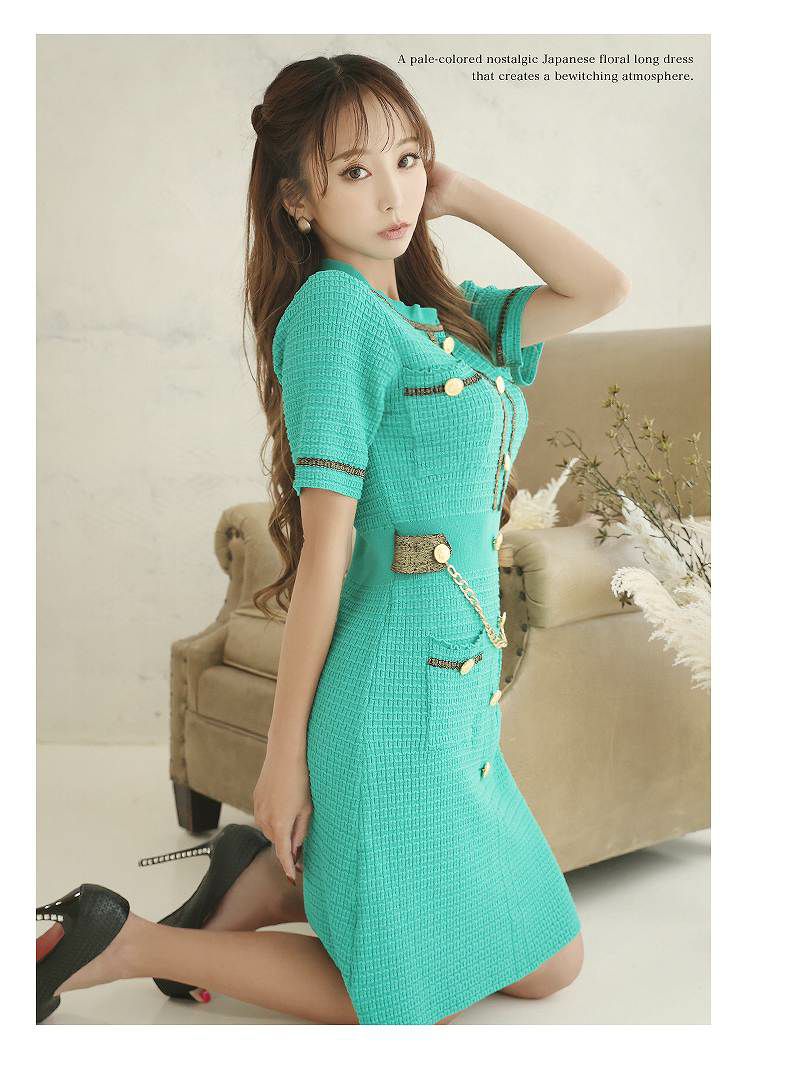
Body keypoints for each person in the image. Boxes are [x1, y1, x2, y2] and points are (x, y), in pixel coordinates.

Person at [36, 53, 631, 1026]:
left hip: (461, 699)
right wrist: (283, 759)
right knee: (393, 1000)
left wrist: (461, 194)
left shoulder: (449, 318)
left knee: (549, 962)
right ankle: (122, 940)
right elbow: (326, 553)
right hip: (391, 697)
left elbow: (601, 287)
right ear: (296, 201)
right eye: (354, 171)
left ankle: (270, 882)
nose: (392, 193)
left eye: (405, 159)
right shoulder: (332, 315)